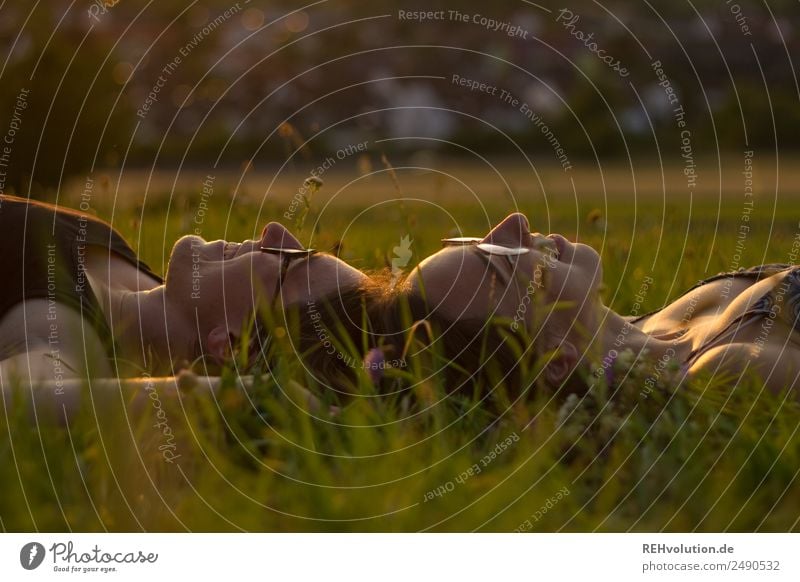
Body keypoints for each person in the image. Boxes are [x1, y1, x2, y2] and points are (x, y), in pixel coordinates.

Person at [0, 194, 375, 418]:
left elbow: (19, 400)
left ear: (230, 345)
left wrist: (248, 394)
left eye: (292, 260)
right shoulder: (141, 287)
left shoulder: (60, 333)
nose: (275, 231)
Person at [393, 212, 800, 400]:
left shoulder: (654, 324)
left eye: (475, 240)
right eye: (499, 255)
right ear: (554, 359)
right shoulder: (728, 370)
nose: (513, 222)